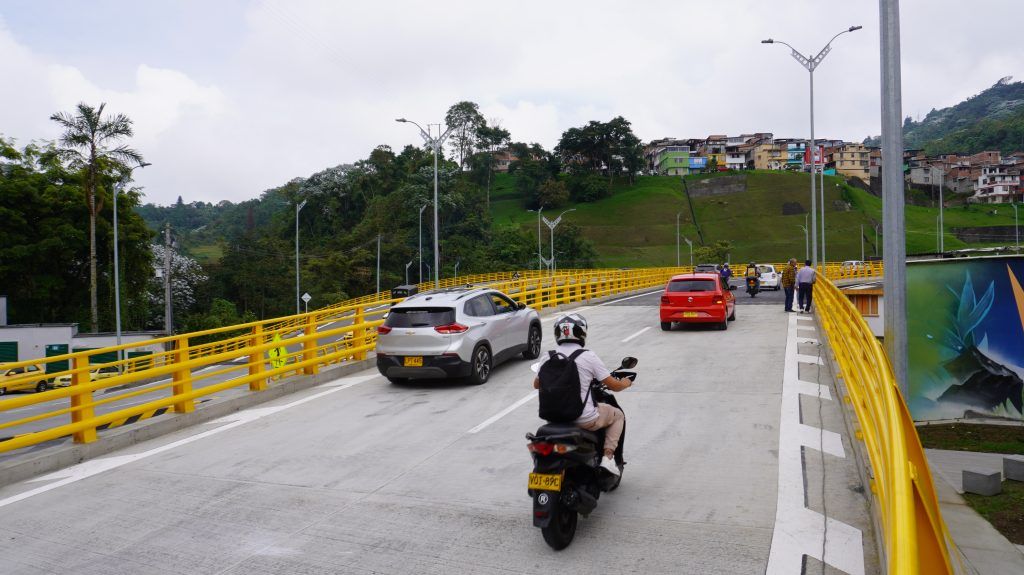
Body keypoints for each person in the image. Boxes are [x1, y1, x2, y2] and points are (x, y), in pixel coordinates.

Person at [533, 313, 633, 476]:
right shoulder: (588, 356)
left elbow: (536, 384)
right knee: (618, 415)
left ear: (558, 333)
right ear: (582, 333)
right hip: (584, 419)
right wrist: (625, 383)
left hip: (553, 418)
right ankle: (608, 458)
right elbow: (614, 386)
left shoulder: (547, 356)